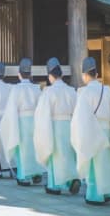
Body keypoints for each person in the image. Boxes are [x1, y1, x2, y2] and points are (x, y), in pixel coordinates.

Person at [70, 56, 110, 205]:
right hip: (107, 132)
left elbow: (79, 119)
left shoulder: (84, 93)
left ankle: (95, 196)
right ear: (96, 73)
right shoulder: (107, 90)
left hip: (92, 132)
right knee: (107, 164)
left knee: (94, 165)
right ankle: (108, 192)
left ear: (85, 75)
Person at [33, 57, 80, 196]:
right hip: (69, 125)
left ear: (50, 75)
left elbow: (42, 114)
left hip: (54, 127)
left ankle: (54, 185)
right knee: (69, 156)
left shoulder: (48, 92)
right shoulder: (72, 91)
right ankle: (72, 180)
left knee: (55, 155)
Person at [0, 57, 44, 186]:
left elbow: (11, 109)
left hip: (21, 122)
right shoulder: (37, 89)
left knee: (22, 149)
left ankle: (24, 176)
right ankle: (37, 173)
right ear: (30, 74)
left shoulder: (16, 89)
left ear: (19, 74)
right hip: (35, 121)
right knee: (34, 147)